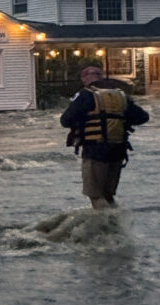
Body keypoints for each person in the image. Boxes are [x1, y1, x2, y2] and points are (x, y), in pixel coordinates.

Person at [59, 66, 149, 210]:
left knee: (95, 195)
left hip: (95, 150)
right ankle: (117, 224)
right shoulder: (121, 95)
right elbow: (143, 117)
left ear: (84, 78)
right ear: (101, 76)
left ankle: (108, 225)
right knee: (108, 195)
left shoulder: (85, 94)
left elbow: (65, 120)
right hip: (118, 151)